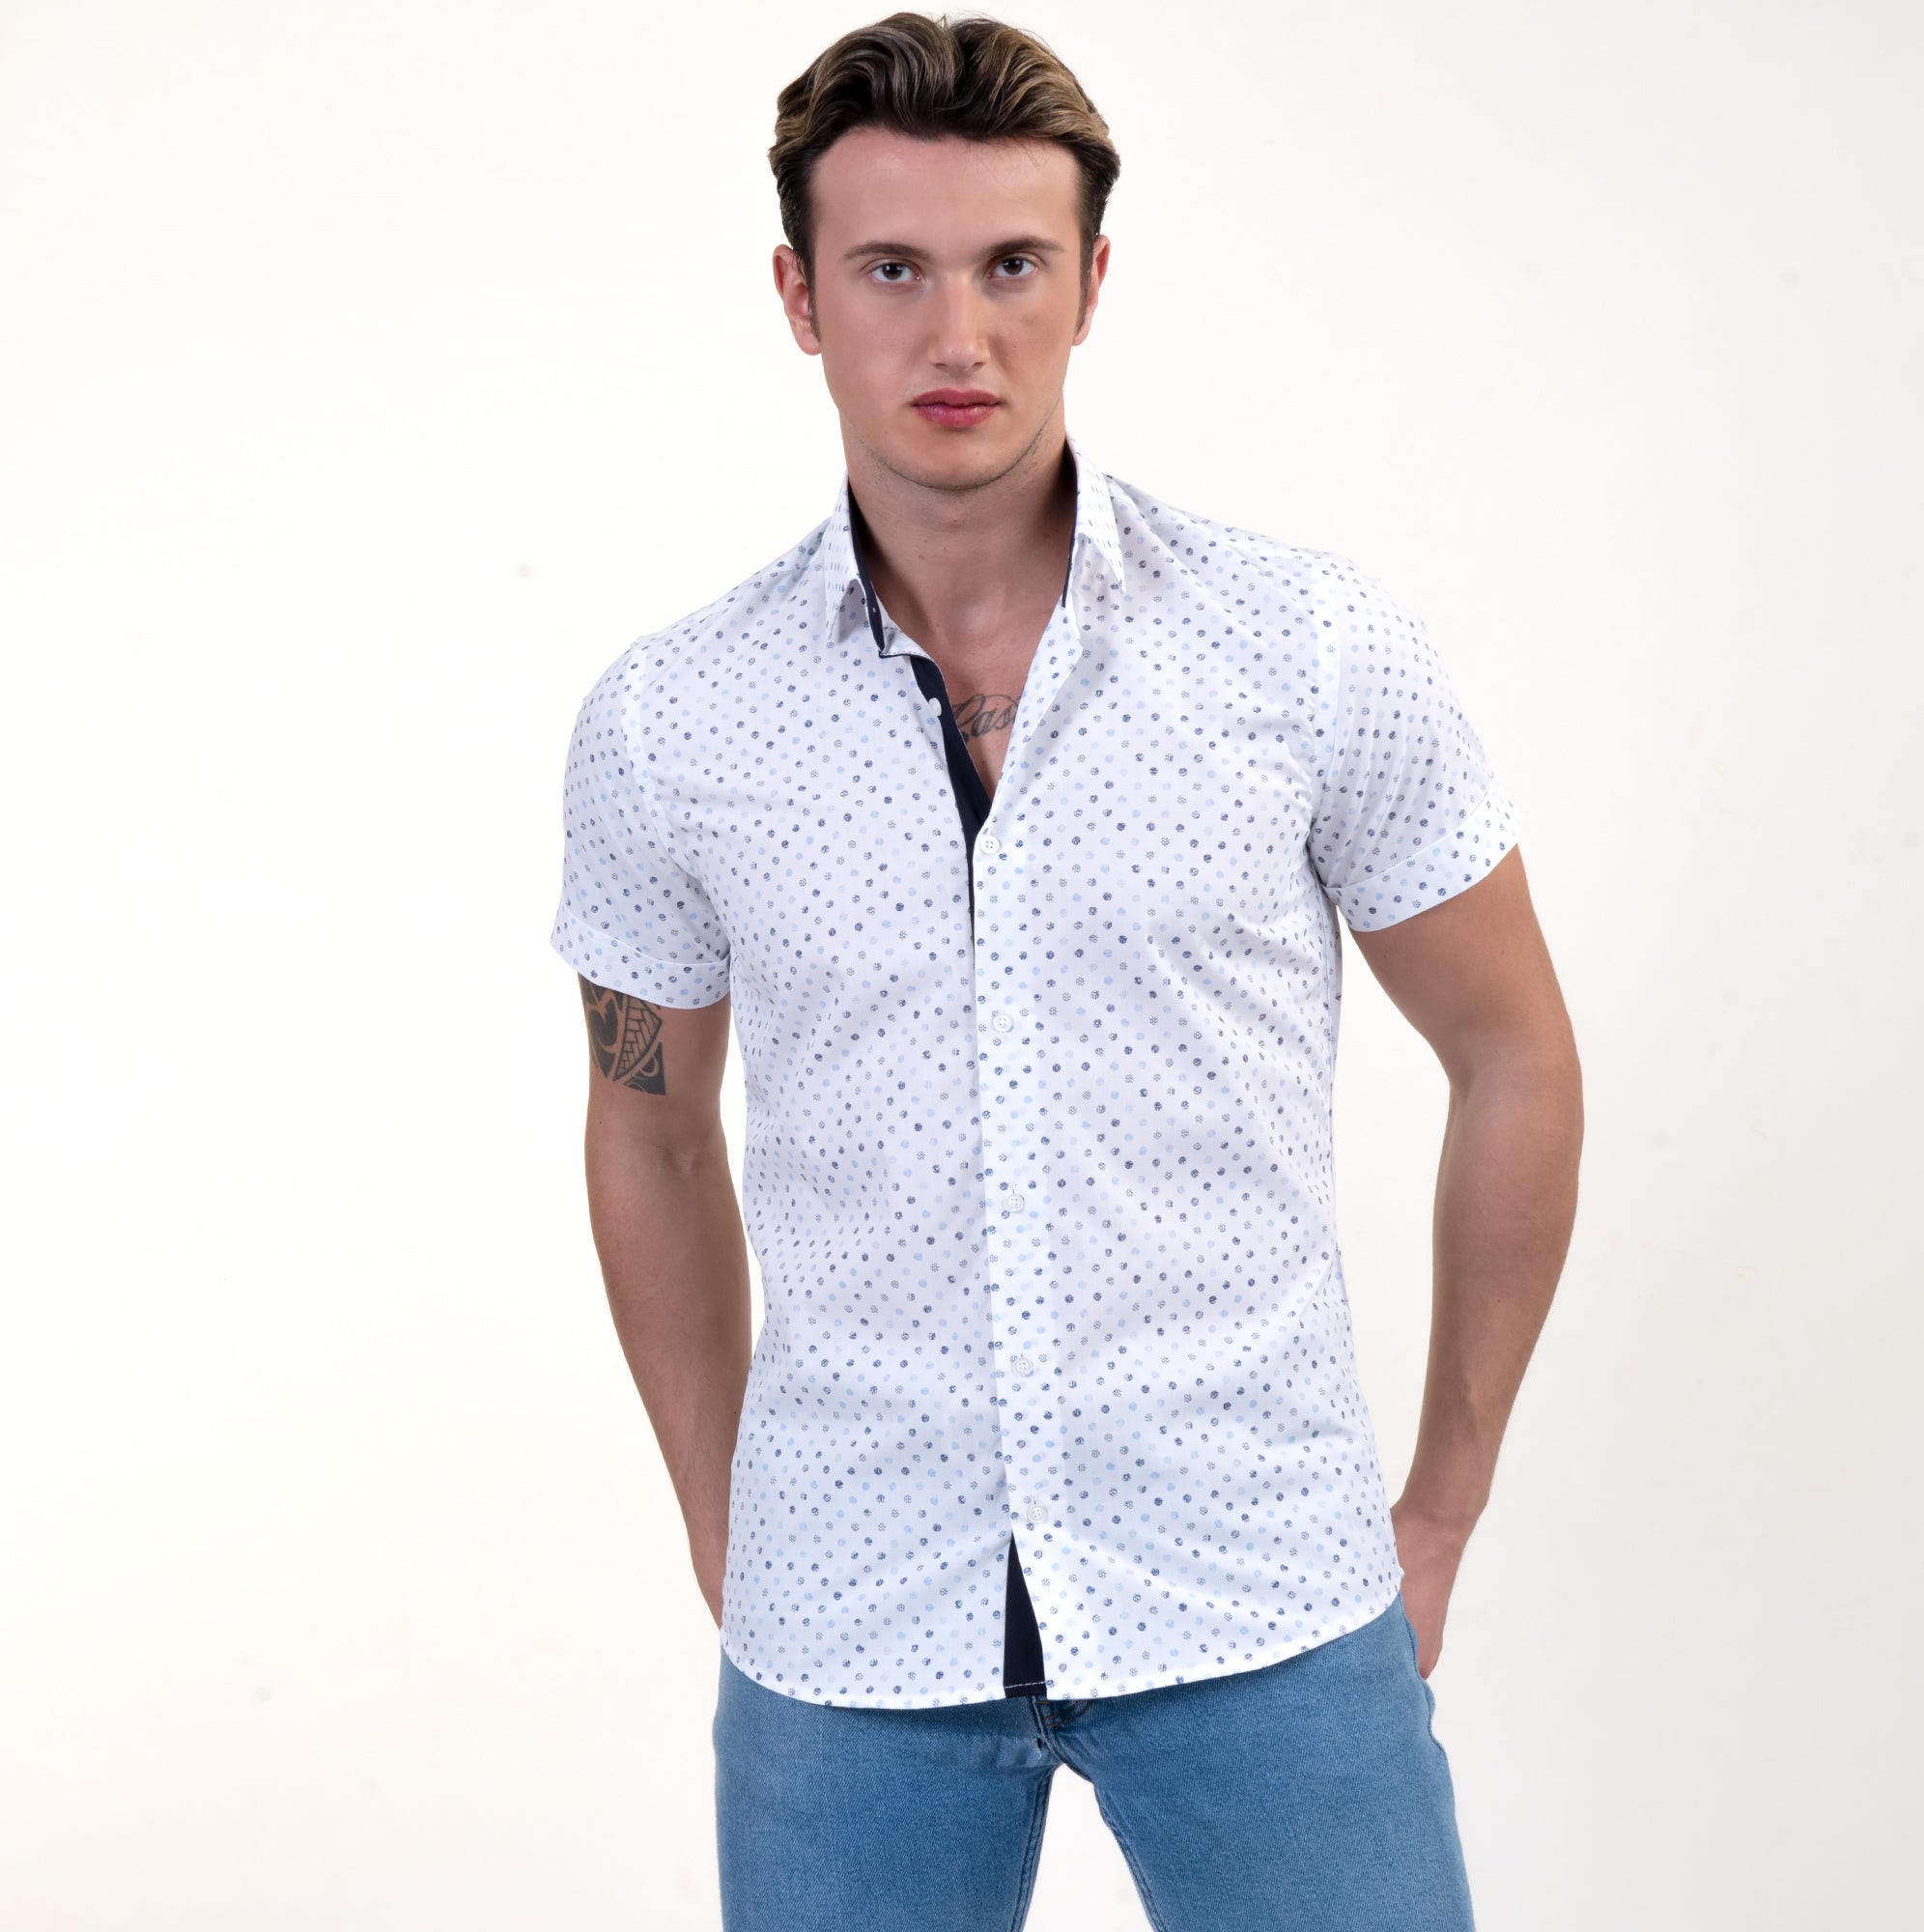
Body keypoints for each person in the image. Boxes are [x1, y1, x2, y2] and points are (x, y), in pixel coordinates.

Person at [550, 13, 1583, 1928]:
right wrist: (728, 1520)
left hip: (1265, 1594)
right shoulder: (672, 722)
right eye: (892, 269)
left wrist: (1441, 1505)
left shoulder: (1305, 653)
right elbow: (648, 1127)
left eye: (1012, 265)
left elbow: (1514, 1048)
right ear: (798, 297)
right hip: (850, 1619)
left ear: (1094, 282)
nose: (958, 334)